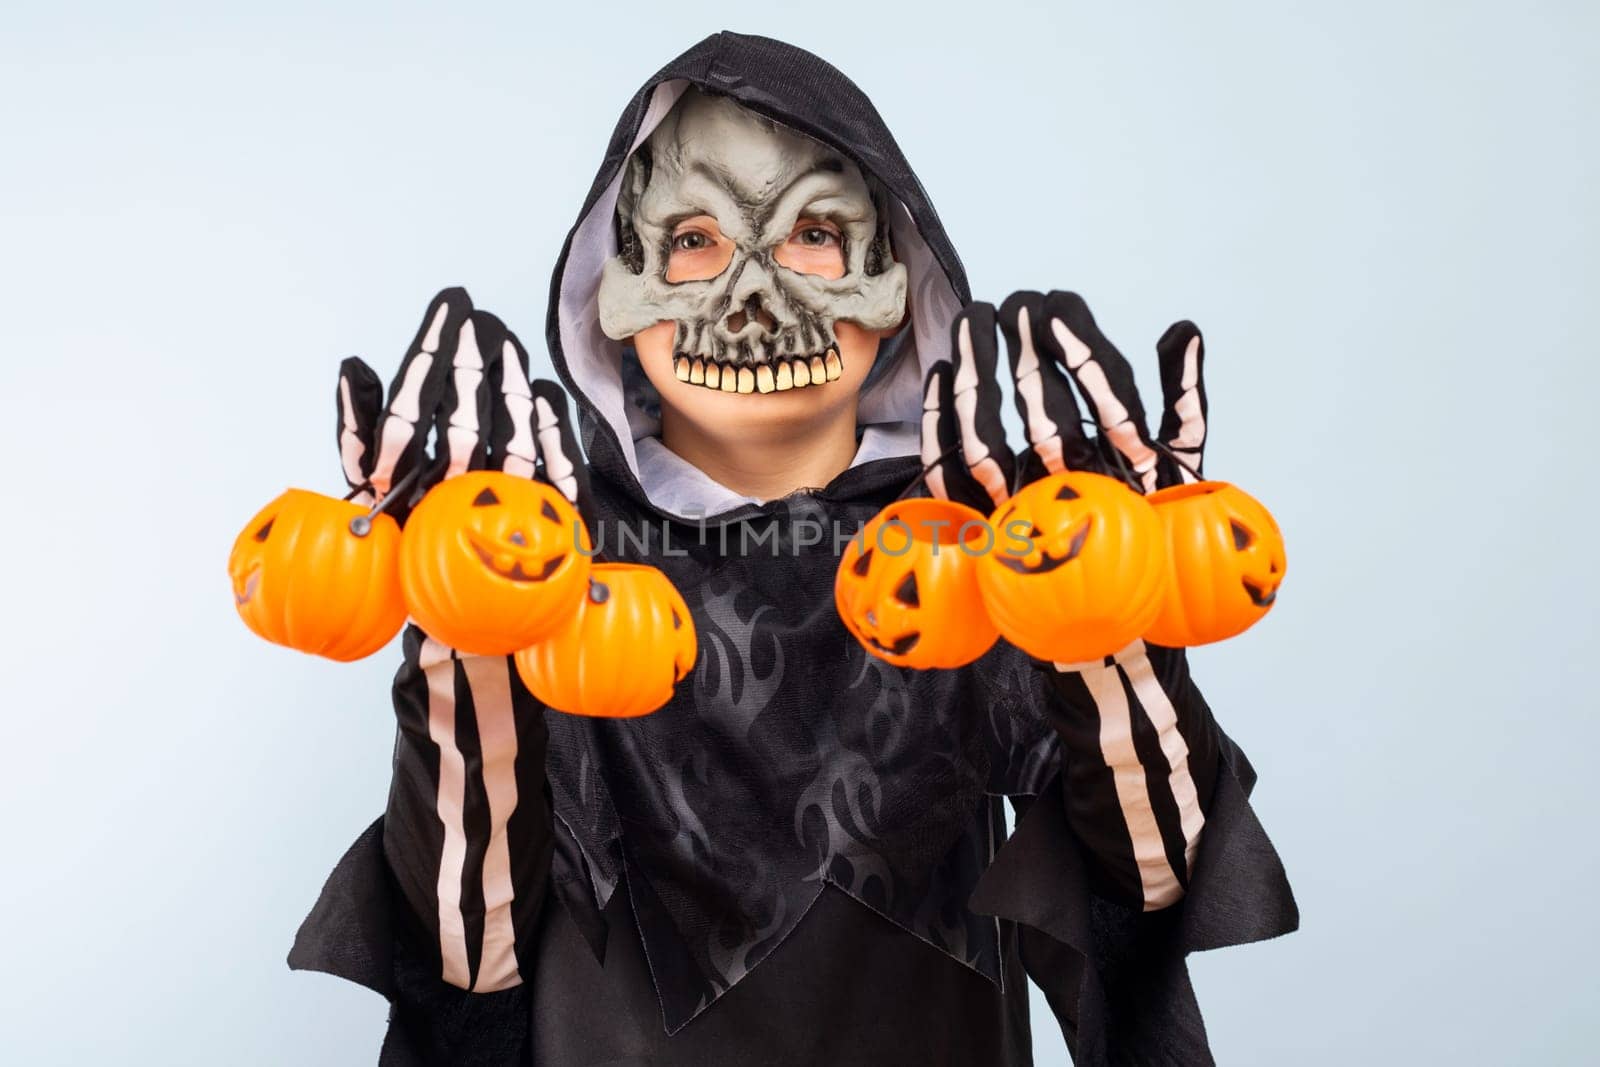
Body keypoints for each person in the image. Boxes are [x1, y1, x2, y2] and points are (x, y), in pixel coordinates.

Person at [288, 32, 1297, 1066]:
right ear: (615, 286)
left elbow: (1149, 894)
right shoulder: (539, 545)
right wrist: (470, 626)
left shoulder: (981, 546)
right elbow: (470, 953)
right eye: (692, 238)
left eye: (815, 231)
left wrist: (1111, 593)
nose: (754, 295)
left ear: (897, 275)